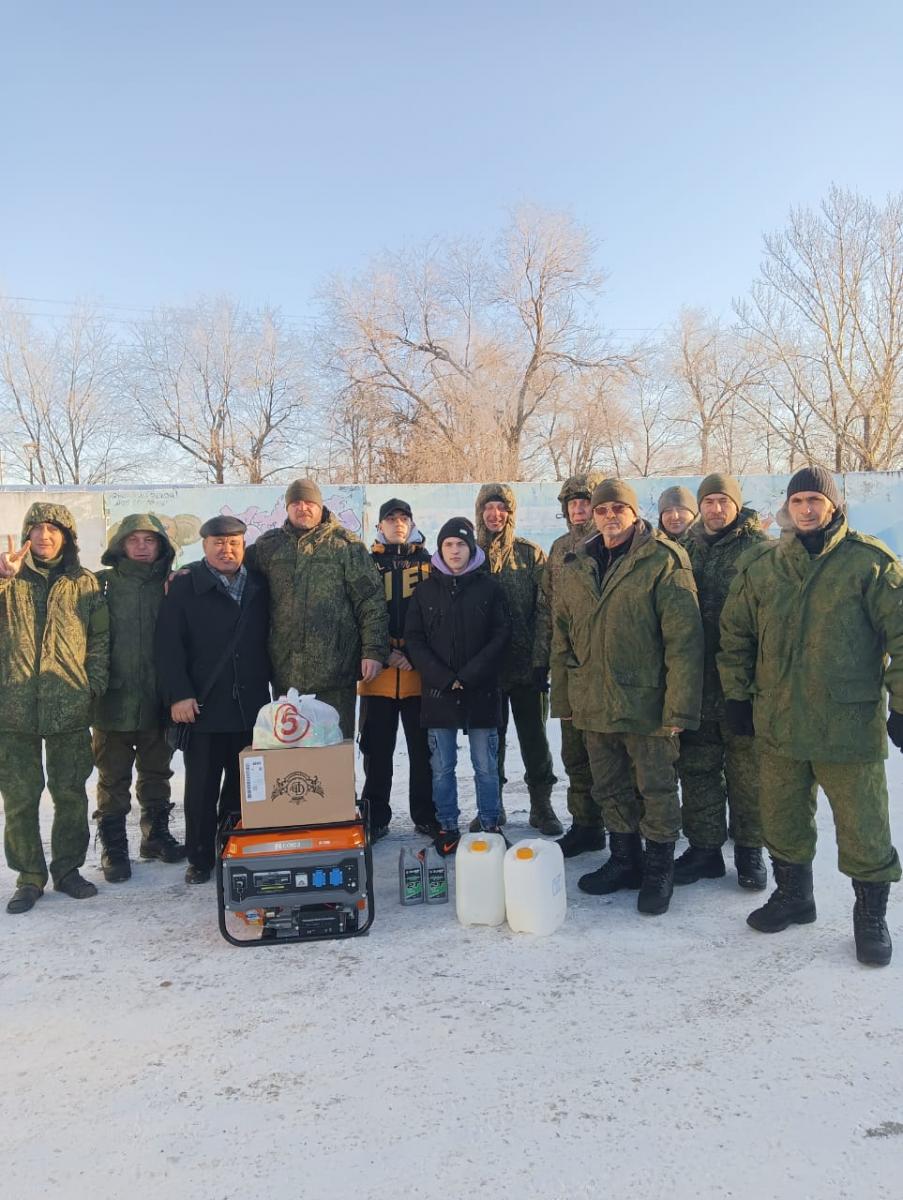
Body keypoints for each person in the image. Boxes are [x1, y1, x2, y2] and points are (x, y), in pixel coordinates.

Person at [719, 466, 902, 966]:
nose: (805, 508)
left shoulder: (868, 563)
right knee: (781, 816)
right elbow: (735, 635)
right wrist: (737, 697)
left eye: (814, 500)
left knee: (864, 826)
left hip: (847, 725)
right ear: (788, 506)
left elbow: (902, 637)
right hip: (778, 720)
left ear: (833, 504)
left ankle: (869, 918)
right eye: (797, 499)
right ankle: (794, 897)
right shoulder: (765, 566)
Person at [551, 479, 704, 915]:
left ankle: (658, 869)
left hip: (647, 703)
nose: (609, 516)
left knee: (655, 788)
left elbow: (684, 641)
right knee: (609, 786)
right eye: (602, 510)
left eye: (619, 508)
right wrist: (564, 700)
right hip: (594, 699)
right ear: (592, 516)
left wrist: (678, 706)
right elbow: (562, 636)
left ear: (634, 514)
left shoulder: (663, 560)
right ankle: (624, 859)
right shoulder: (577, 563)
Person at [0, 503, 110, 913]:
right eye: (37, 528)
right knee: (20, 797)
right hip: (12, 710)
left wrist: (91, 686)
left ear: (67, 536)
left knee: (69, 794)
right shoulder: (8, 580)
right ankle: (29, 877)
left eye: (53, 529)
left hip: (69, 708)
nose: (44, 536)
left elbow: (100, 641)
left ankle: (67, 870)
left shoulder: (84, 584)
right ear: (26, 535)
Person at [155, 515, 271, 884]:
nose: (227, 549)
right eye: (219, 543)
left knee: (244, 785)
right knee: (202, 788)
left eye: (234, 543)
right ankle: (200, 857)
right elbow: (168, 647)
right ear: (205, 547)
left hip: (250, 706)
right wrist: (180, 695)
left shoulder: (258, 585)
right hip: (203, 706)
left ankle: (235, 847)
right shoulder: (186, 587)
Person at [675, 473, 768, 889]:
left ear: (736, 505)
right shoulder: (684, 550)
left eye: (722, 501)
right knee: (697, 770)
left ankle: (750, 852)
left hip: (744, 685)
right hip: (696, 684)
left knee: (747, 773)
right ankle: (705, 850)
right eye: (708, 501)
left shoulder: (760, 551)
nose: (715, 509)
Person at [245, 479, 388, 740]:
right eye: (296, 503)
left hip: (335, 675)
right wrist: (186, 574)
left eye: (309, 502)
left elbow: (371, 601)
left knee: (334, 755)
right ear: (287, 508)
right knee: (290, 757)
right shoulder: (268, 547)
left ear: (321, 506)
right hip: (285, 676)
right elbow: (231, 568)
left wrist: (374, 651)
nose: (303, 508)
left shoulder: (346, 546)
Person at [404, 518, 510, 857]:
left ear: (471, 548)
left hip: (482, 691)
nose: (454, 551)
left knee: (486, 765)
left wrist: (471, 673)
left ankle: (490, 824)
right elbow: (415, 640)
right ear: (440, 549)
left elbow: (501, 635)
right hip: (439, 694)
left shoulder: (490, 588)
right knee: (442, 767)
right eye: (448, 545)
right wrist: (443, 677)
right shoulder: (424, 591)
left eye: (460, 545)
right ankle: (447, 826)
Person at [92, 514, 185, 882]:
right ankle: (114, 847)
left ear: (162, 546)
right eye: (135, 540)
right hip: (112, 699)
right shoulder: (99, 586)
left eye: (151, 540)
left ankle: (155, 836)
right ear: (120, 545)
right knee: (112, 777)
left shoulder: (175, 585)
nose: (143, 547)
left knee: (157, 771)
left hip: (158, 699)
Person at [472, 483, 560, 835]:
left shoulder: (529, 554)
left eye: (501, 508)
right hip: (486, 671)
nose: (495, 514)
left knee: (535, 740)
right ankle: (492, 808)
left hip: (527, 668)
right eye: (488, 508)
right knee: (491, 742)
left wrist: (541, 660)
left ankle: (542, 807)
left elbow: (545, 611)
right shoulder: (470, 555)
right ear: (480, 512)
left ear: (510, 513)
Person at [533, 472, 607, 856]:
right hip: (567, 664)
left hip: (606, 666)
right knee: (574, 752)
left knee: (609, 755)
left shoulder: (611, 543)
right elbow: (548, 607)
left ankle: (626, 831)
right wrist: (543, 660)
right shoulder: (560, 548)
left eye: (585, 501)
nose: (579, 509)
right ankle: (586, 824)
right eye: (572, 503)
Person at [358, 498, 437, 840]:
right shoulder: (366, 563)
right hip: (378, 673)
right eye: (391, 518)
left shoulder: (430, 563)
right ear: (379, 526)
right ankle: (376, 816)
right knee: (377, 752)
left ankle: (425, 813)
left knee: (423, 752)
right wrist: (384, 652)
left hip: (419, 674)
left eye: (404, 517)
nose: (398, 523)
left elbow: (440, 617)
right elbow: (357, 613)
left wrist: (416, 656)